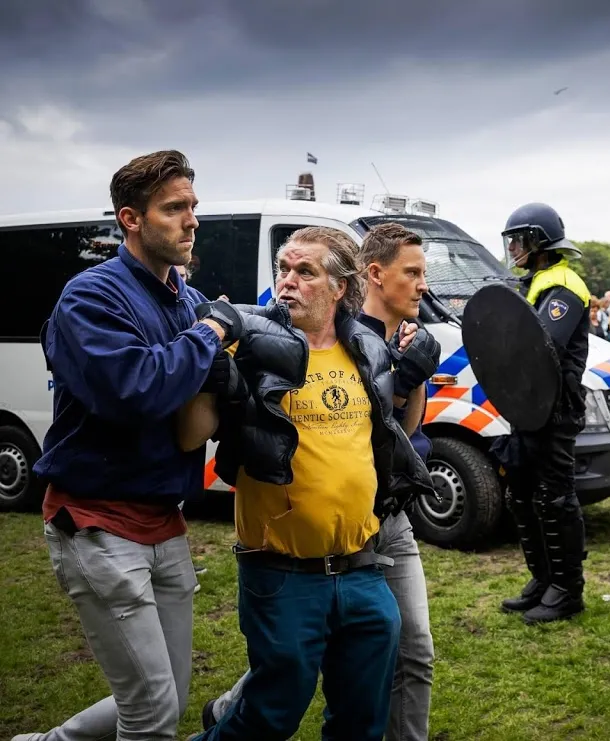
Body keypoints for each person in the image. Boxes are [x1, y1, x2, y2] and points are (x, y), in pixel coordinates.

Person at [14, 150, 240, 741]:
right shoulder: (91, 297)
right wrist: (213, 333)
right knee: (152, 710)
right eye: (173, 209)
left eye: (192, 206)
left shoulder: (185, 300)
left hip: (165, 520)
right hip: (98, 522)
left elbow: (195, 413)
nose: (191, 220)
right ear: (130, 219)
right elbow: (137, 390)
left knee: (166, 694)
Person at [183, 226, 436, 740]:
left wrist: (411, 381)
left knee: (362, 722)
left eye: (305, 271)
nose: (288, 282)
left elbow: (395, 436)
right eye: (284, 269)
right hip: (282, 574)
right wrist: (210, 364)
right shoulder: (250, 346)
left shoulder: (366, 346)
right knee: (269, 717)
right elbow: (192, 437)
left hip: (364, 569)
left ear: (340, 287)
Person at [495, 202, 590, 625]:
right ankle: (542, 579)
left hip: (555, 409)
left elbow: (542, 347)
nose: (512, 247)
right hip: (527, 406)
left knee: (555, 499)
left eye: (518, 239)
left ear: (539, 242)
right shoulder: (535, 282)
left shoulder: (564, 285)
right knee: (520, 495)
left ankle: (567, 589)